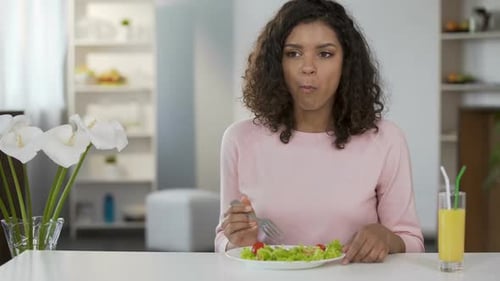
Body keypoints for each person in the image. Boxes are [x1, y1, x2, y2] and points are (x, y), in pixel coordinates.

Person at [214, 0, 424, 264]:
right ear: (276, 64)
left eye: (325, 54)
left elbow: (412, 242)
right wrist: (236, 240)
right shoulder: (239, 140)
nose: (308, 67)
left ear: (346, 64)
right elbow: (223, 239)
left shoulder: (386, 139)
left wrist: (386, 238)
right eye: (293, 53)